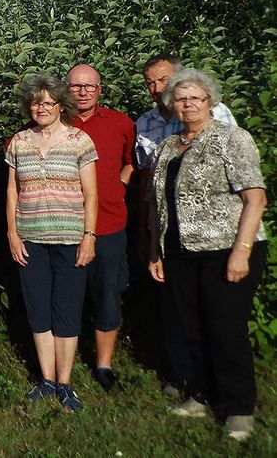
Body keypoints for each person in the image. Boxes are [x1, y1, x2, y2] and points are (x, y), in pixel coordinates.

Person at [147, 68, 267, 441]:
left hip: (226, 249)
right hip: (180, 251)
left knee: (225, 330)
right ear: (172, 104)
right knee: (192, 329)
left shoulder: (232, 139)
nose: (188, 104)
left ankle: (239, 407)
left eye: (196, 98)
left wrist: (241, 251)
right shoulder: (169, 146)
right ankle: (202, 394)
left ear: (210, 102)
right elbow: (156, 204)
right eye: (180, 98)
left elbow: (255, 197)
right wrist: (155, 249)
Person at [135, 53, 237, 397]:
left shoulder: (216, 117)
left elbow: (239, 174)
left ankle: (225, 388)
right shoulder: (148, 125)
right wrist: (148, 236)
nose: (156, 88)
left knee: (216, 313)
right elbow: (147, 179)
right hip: (169, 228)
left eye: (163, 79)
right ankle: (185, 378)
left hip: (215, 231)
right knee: (177, 310)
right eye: (150, 81)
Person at [6, 74, 98, 412]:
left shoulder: (79, 141)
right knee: (38, 312)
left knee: (67, 311)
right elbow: (12, 190)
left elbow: (91, 195)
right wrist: (13, 233)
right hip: (30, 238)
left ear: (61, 106)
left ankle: (65, 383)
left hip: (71, 238)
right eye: (35, 102)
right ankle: (46, 381)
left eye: (47, 102)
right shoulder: (19, 141)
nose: (40, 108)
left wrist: (89, 237)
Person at [66, 64, 135, 392]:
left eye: (89, 86)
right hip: (64, 226)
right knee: (67, 296)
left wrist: (120, 184)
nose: (82, 91)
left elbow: (132, 161)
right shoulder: (54, 120)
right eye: (76, 86)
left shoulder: (120, 123)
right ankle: (62, 359)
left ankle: (104, 365)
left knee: (108, 294)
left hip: (108, 224)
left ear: (100, 90)